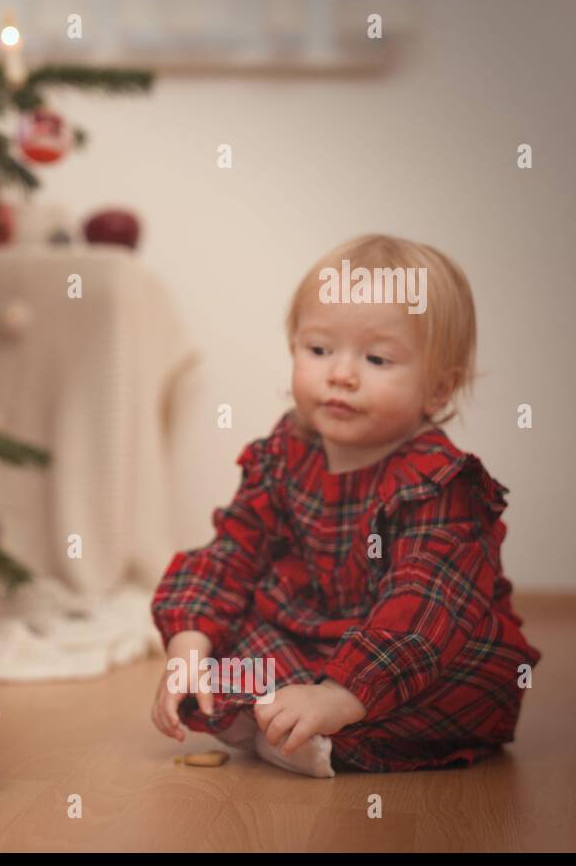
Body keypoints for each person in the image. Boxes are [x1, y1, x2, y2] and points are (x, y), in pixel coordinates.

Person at [150, 233, 540, 777]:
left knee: (467, 679)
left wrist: (337, 697)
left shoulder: (437, 481)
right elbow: (231, 553)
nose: (340, 374)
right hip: (314, 640)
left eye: (377, 358)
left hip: (414, 652)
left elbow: (423, 612)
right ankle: (274, 718)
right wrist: (187, 647)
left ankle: (318, 729)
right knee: (223, 650)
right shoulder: (285, 453)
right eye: (318, 350)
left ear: (438, 389)